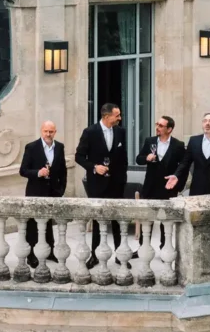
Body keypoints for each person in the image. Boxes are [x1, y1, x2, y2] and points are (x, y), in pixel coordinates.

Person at [75, 103, 129, 268]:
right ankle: (95, 256)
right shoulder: (90, 132)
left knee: (117, 220)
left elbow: (123, 156)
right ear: (107, 117)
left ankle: (121, 256)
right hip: (97, 184)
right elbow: (79, 156)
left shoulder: (120, 131)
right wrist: (94, 167)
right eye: (117, 115)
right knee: (98, 221)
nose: (120, 118)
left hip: (116, 183)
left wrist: (122, 177)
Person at [18, 120, 67, 269]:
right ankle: (31, 255)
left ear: (55, 132)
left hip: (52, 193)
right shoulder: (31, 147)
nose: (48, 134)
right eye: (46, 131)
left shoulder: (59, 147)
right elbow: (23, 170)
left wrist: (61, 190)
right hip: (35, 192)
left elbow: (63, 171)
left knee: (48, 223)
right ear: (41, 131)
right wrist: (38, 173)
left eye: (51, 131)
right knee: (33, 224)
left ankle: (50, 251)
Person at [136, 115, 186, 248]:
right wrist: (146, 157)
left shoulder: (178, 145)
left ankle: (165, 247)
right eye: (157, 124)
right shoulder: (149, 141)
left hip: (168, 187)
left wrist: (178, 185)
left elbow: (184, 166)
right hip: (150, 186)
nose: (157, 127)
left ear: (169, 129)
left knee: (166, 220)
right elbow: (138, 159)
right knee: (147, 218)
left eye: (161, 126)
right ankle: (143, 246)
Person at [165, 112, 210, 197]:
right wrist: (176, 175)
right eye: (205, 121)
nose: (207, 123)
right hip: (197, 189)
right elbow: (185, 163)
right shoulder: (194, 141)